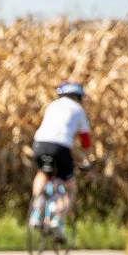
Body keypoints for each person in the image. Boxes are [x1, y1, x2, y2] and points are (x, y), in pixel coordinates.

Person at [29, 82, 91, 242]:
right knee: (69, 187)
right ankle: (57, 219)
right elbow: (85, 140)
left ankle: (36, 210)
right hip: (61, 148)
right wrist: (87, 160)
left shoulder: (52, 105)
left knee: (42, 174)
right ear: (78, 97)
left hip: (40, 144)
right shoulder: (78, 109)